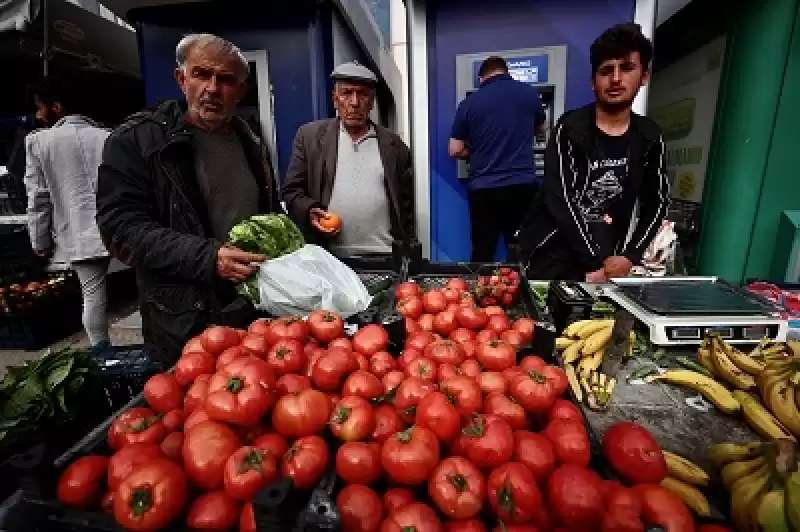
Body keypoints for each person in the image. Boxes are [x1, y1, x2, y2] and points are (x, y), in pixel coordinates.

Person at [96, 33, 282, 363]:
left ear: (240, 91)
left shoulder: (249, 139)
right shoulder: (139, 139)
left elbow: (266, 211)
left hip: (250, 305)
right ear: (181, 79)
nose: (212, 88)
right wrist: (208, 258)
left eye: (226, 80)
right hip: (184, 316)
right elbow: (120, 228)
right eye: (201, 74)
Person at [517, 23, 670, 282]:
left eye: (627, 68)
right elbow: (560, 199)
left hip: (609, 259)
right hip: (554, 256)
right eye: (606, 70)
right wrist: (591, 263)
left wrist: (630, 256)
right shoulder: (570, 129)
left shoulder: (649, 136)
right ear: (593, 81)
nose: (616, 79)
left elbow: (656, 201)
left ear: (645, 76)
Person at [282, 61, 416, 259]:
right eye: (346, 93)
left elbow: (406, 208)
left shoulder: (394, 146)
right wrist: (310, 210)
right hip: (328, 257)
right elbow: (291, 192)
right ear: (335, 99)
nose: (354, 102)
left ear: (371, 102)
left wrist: (408, 250)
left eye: (362, 94)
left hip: (384, 256)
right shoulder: (310, 137)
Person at [23, 77, 113, 353]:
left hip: (79, 231)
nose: (38, 115)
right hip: (121, 228)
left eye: (40, 107)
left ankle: (102, 355)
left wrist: (39, 241)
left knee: (93, 294)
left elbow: (38, 198)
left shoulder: (39, 143)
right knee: (146, 289)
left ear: (57, 107)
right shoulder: (109, 136)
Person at [448, 56, 547, 262]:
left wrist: (475, 152)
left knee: (483, 252)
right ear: (506, 71)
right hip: (522, 186)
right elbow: (543, 129)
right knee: (522, 250)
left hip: (484, 189)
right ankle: (521, 292)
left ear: (481, 78)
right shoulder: (529, 94)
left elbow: (455, 149)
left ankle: (481, 292)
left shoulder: (469, 103)